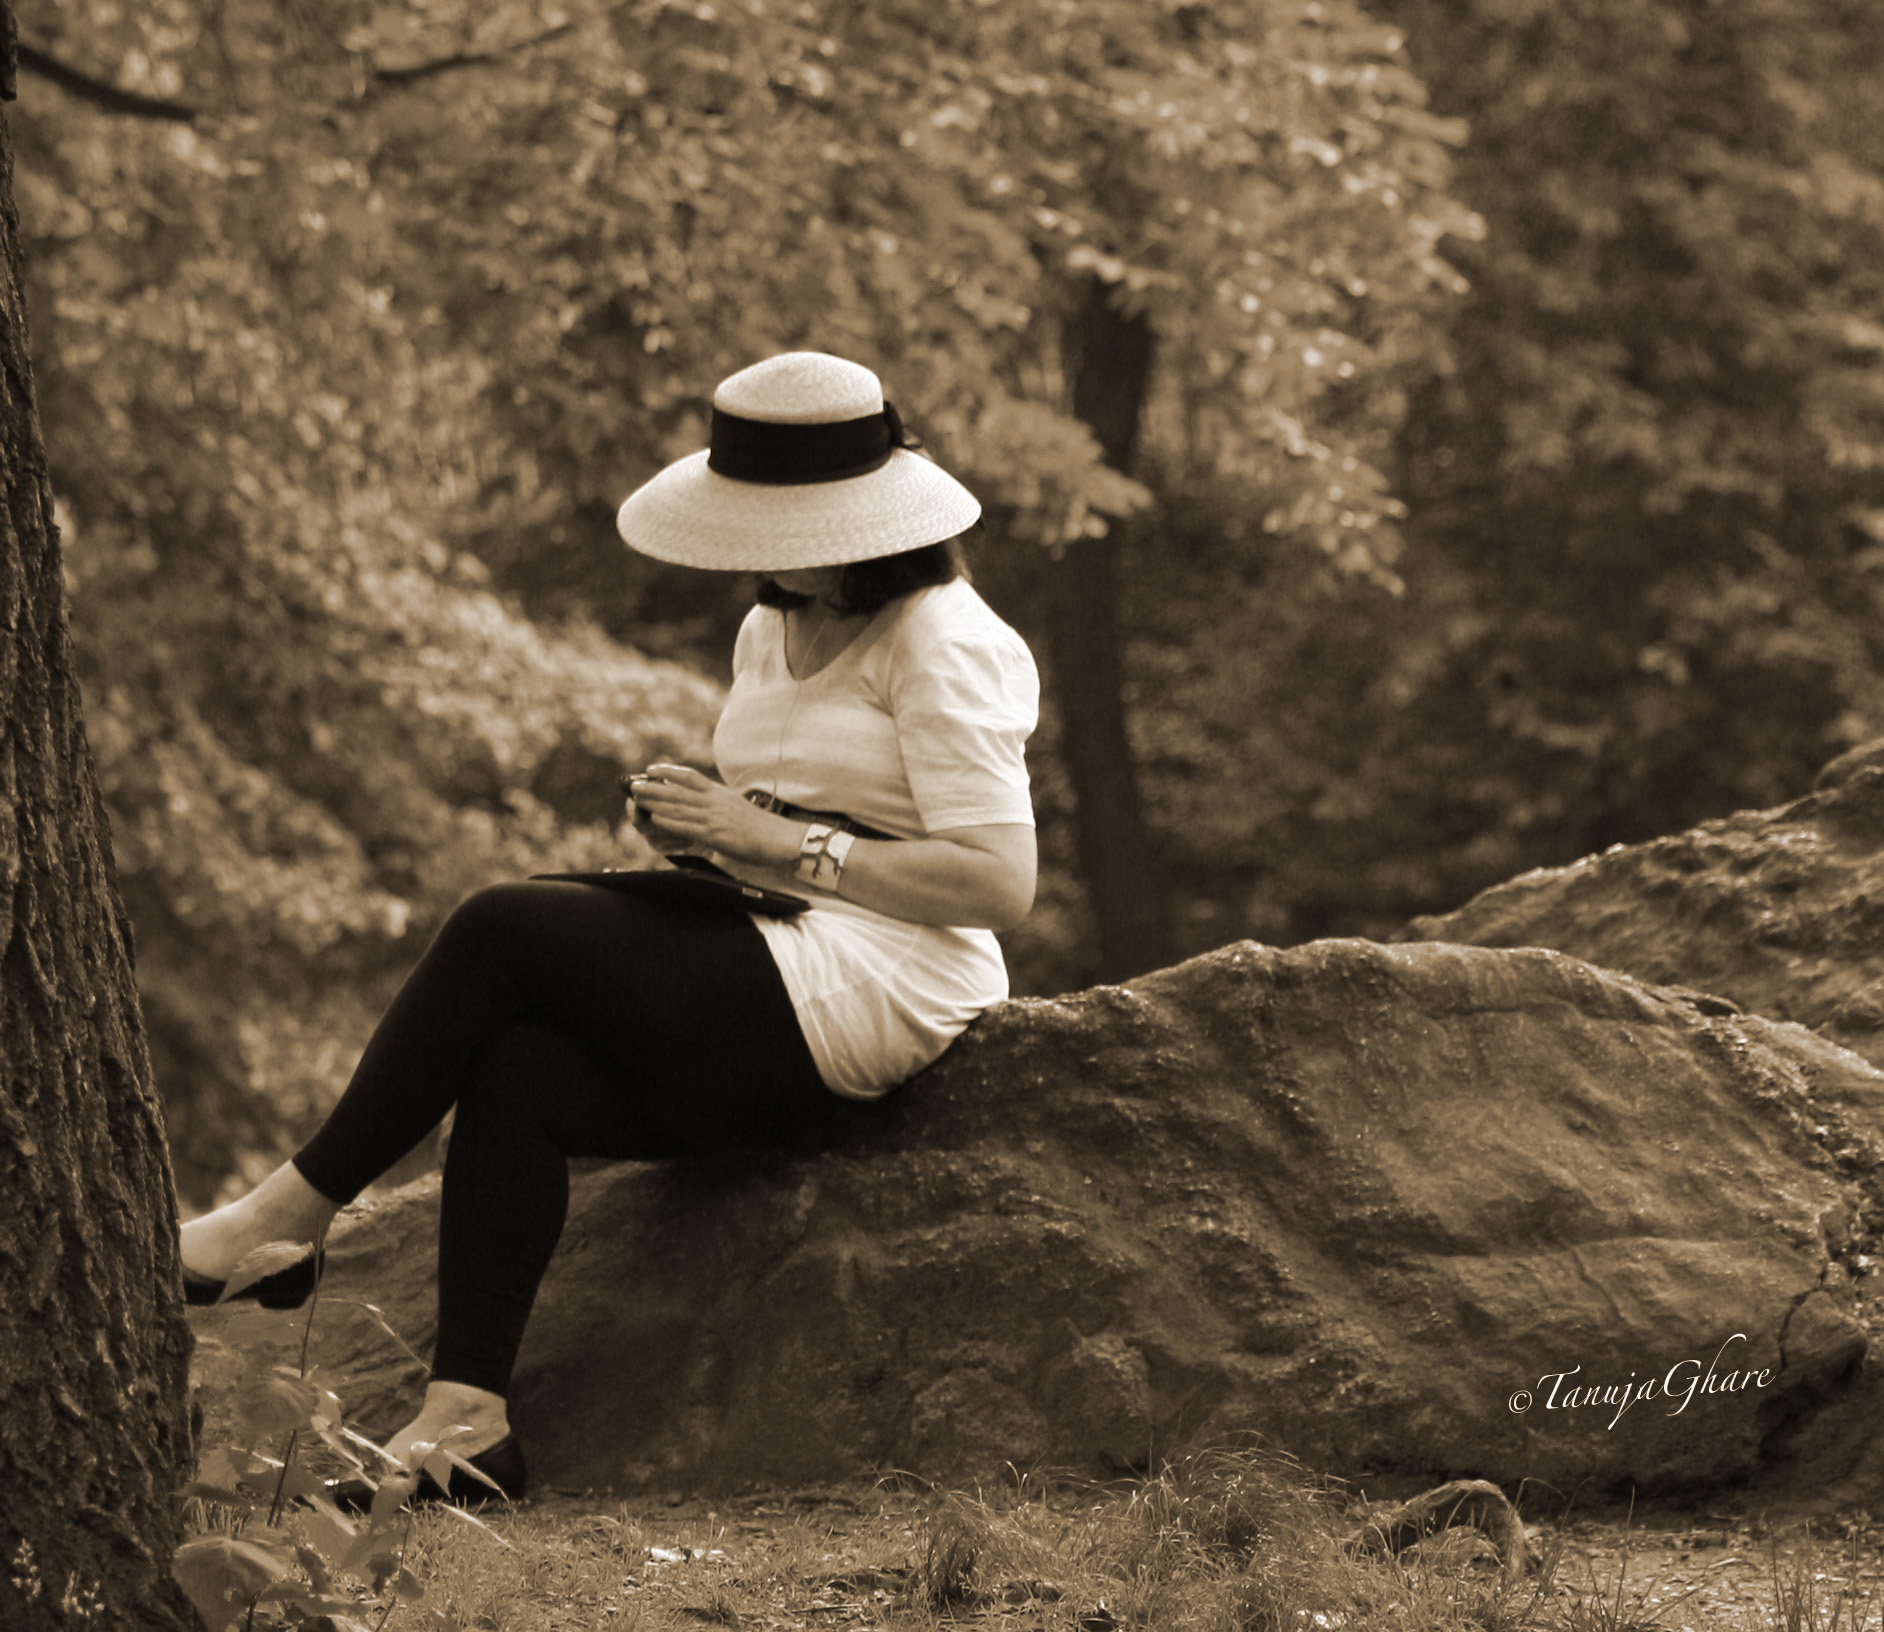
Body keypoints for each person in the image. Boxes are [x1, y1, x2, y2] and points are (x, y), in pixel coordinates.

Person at [177, 351, 1040, 1506]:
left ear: (867, 520)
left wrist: (779, 842)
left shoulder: (945, 640)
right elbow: (783, 817)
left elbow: (997, 884)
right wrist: (711, 835)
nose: (764, 554)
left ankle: (284, 1223)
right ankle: (465, 1423)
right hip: (772, 935)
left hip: (888, 976)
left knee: (501, 924)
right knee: (519, 1066)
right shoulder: (768, 629)